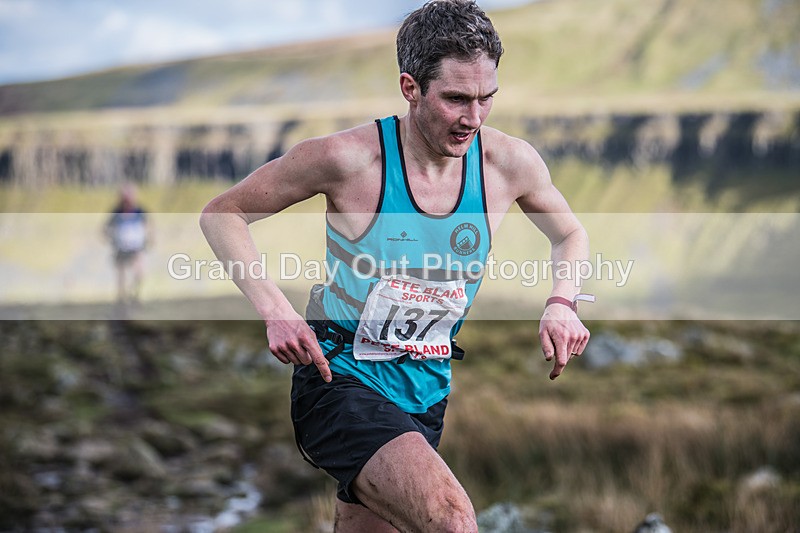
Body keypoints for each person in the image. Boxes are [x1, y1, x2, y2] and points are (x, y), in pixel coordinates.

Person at [200, 1, 591, 530]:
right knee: (452, 520)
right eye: (456, 99)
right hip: (340, 378)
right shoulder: (348, 160)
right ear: (411, 88)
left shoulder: (508, 163)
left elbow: (569, 234)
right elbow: (223, 214)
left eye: (486, 98)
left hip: (426, 390)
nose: (473, 118)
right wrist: (277, 312)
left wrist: (562, 302)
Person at [105, 183, 149, 304]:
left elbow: (148, 225)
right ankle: (121, 299)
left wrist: (147, 239)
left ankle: (134, 294)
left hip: (136, 248)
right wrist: (112, 238)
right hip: (121, 248)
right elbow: (106, 228)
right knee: (121, 275)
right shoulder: (116, 213)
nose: (127, 202)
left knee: (139, 273)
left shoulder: (139, 212)